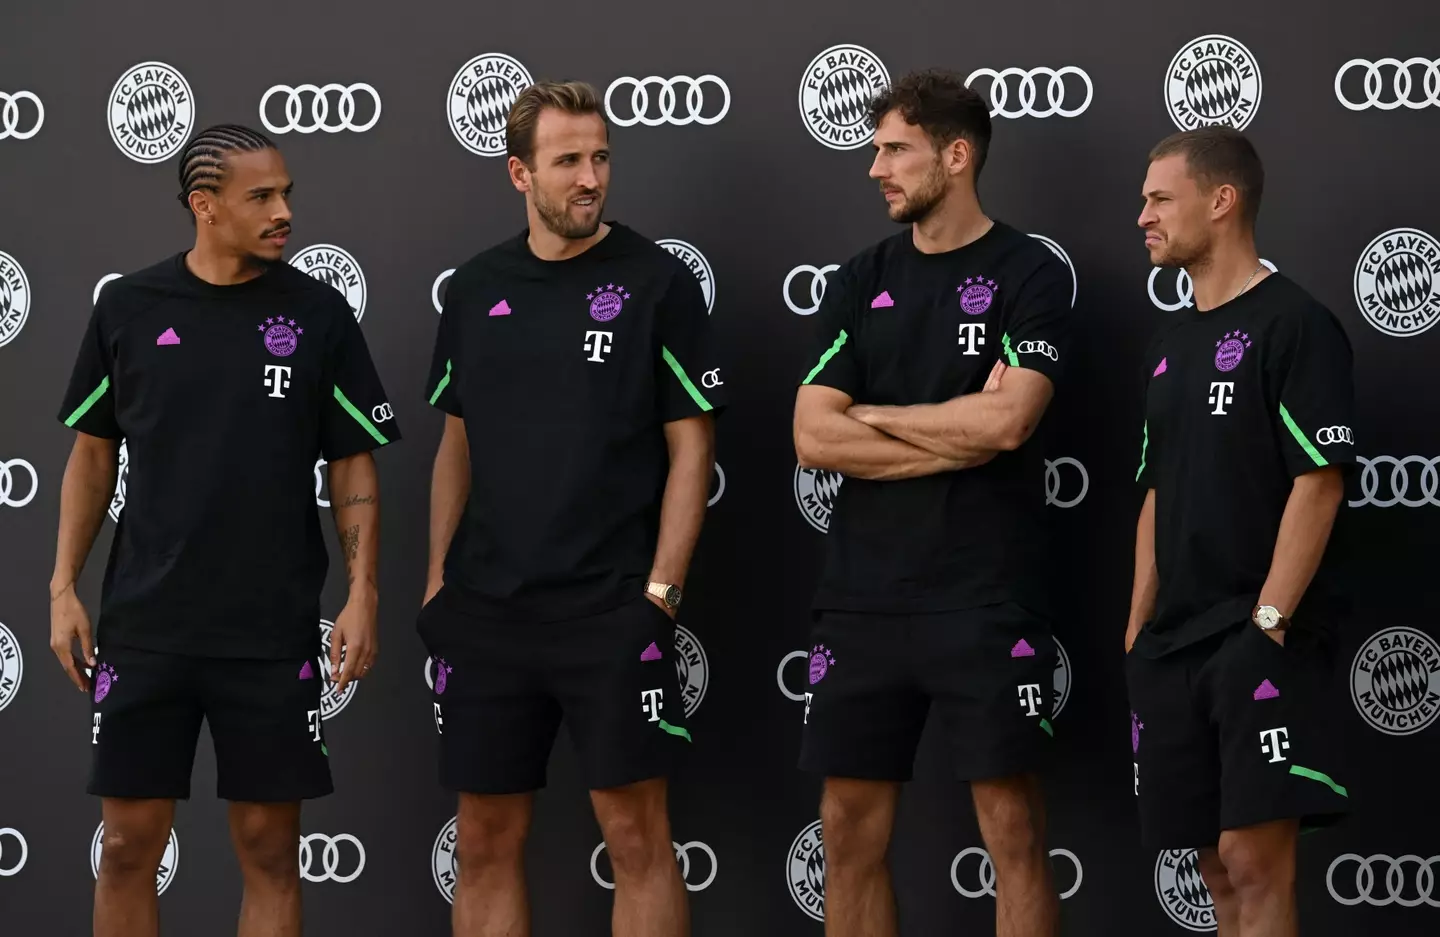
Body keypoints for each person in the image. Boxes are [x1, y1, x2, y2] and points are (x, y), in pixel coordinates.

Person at [50, 124, 398, 937]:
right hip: (145, 628)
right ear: (205, 208)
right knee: (130, 847)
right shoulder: (128, 307)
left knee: (270, 851)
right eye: (262, 197)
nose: (284, 212)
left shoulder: (318, 311)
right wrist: (64, 585)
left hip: (270, 630)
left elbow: (352, 466)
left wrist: (362, 591)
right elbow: (91, 459)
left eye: (286, 194)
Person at [420, 80, 722, 937]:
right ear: (520, 173)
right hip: (487, 613)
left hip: (609, 609)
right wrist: (439, 583)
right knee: (483, 840)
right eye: (567, 162)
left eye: (600, 158)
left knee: (636, 838)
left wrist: (660, 594)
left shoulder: (657, 281)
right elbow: (457, 444)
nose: (589, 178)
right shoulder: (477, 287)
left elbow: (693, 449)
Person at [792, 69, 1069, 937]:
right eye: (876, 149)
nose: (876, 167)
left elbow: (1013, 419)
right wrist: (954, 429)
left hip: (984, 591)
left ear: (956, 155)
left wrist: (872, 413)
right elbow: (813, 436)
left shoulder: (1029, 271)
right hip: (863, 596)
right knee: (845, 833)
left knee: (1014, 832)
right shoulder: (859, 277)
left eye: (894, 149)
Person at [1127, 127, 1353, 937]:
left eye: (1159, 198)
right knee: (1215, 868)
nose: (1142, 215)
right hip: (1173, 646)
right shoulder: (1169, 343)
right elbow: (1155, 493)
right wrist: (1135, 633)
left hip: (1258, 634)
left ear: (1221, 201)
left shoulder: (1297, 323)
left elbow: (1319, 481)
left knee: (1255, 862)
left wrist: (1269, 622)